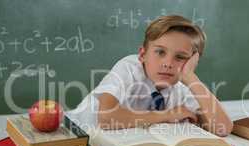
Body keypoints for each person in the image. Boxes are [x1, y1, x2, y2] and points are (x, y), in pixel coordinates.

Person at [71, 15, 233, 137]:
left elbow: (223, 128)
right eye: (160, 52)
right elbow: (106, 117)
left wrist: (191, 77)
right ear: (142, 54)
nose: (168, 63)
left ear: (192, 61)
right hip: (77, 135)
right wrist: (168, 115)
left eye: (180, 57)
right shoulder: (129, 68)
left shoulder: (183, 84)